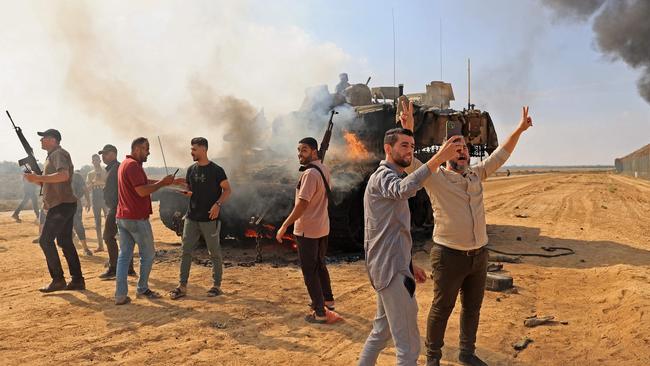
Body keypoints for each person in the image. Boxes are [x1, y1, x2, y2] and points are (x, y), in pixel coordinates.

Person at [402, 105, 534, 366]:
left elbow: (501, 154)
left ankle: (466, 353)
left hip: (479, 256)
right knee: (441, 309)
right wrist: (407, 129)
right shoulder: (436, 178)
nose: (461, 151)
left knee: (472, 309)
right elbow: (411, 165)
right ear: (445, 152)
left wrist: (519, 129)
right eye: (454, 147)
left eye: (463, 147)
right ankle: (433, 357)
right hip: (449, 256)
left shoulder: (476, 174)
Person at [358, 122, 463, 366]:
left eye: (413, 147)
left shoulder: (390, 175)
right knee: (408, 347)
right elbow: (402, 190)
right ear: (387, 148)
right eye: (404, 145)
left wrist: (409, 263)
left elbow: (391, 231)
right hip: (390, 269)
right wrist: (438, 158)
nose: (410, 151)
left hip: (391, 265)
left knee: (381, 332)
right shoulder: (383, 177)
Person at [276, 137, 338, 324]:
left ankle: (319, 312)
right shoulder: (323, 169)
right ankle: (328, 300)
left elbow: (302, 204)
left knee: (309, 271)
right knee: (320, 265)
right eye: (298, 150)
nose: (299, 154)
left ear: (314, 151)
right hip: (321, 227)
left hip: (307, 229)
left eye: (304, 150)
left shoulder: (310, 174)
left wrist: (285, 225)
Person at [114, 137, 175, 305]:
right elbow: (141, 191)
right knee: (147, 255)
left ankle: (120, 295)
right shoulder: (133, 166)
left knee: (124, 256)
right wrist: (163, 183)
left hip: (123, 217)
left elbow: (144, 183)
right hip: (136, 218)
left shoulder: (125, 164)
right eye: (147, 149)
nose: (148, 153)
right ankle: (142, 288)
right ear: (138, 149)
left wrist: (170, 183)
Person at [169, 137, 231, 300]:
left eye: (194, 149)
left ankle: (216, 285)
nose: (191, 152)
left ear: (203, 149)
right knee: (185, 251)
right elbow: (192, 191)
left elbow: (227, 190)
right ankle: (182, 286)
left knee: (214, 253)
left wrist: (217, 205)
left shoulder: (217, 170)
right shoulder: (191, 170)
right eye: (191, 149)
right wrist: (184, 192)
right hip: (191, 217)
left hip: (209, 218)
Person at [24, 128, 85, 292]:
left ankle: (58, 280)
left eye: (44, 138)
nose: (41, 141)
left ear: (52, 140)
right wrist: (35, 179)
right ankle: (77, 280)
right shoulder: (50, 157)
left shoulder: (58, 154)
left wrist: (38, 177)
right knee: (65, 241)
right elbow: (48, 183)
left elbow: (63, 175)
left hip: (61, 204)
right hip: (62, 204)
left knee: (45, 240)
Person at [97, 144, 135, 280]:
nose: (103, 157)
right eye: (102, 154)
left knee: (108, 236)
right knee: (125, 238)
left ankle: (114, 267)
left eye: (105, 154)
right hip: (117, 206)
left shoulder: (117, 168)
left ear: (113, 154)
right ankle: (128, 268)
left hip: (117, 206)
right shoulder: (112, 168)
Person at [86, 153, 108, 252]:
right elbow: (87, 188)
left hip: (105, 196)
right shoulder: (90, 174)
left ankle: (112, 243)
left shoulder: (105, 171)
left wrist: (102, 181)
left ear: (100, 161)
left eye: (97, 160)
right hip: (95, 196)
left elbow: (109, 184)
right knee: (97, 222)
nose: (95, 162)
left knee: (109, 220)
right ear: (92, 162)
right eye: (93, 160)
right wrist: (94, 181)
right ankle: (100, 245)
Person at [71, 170, 93, 256]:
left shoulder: (76, 176)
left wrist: (88, 201)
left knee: (78, 225)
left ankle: (85, 248)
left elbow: (85, 189)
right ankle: (69, 248)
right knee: (69, 226)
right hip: (64, 206)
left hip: (76, 205)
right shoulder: (61, 176)